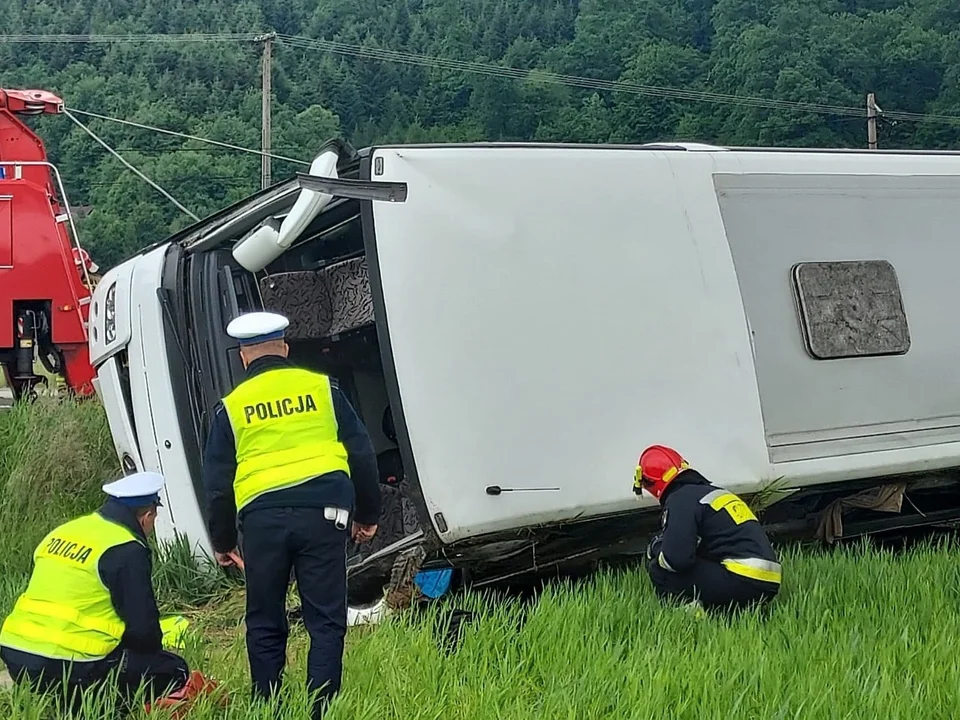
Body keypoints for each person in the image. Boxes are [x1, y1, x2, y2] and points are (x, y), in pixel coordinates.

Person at [201, 310, 381, 718]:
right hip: (325, 513)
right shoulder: (323, 389)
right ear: (284, 348)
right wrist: (367, 513)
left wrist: (224, 541)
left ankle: (268, 706)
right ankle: (322, 709)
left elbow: (217, 485)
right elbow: (363, 453)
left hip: (262, 522)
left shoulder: (231, 407)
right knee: (325, 619)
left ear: (244, 357)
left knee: (264, 617)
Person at [0, 472, 202, 713]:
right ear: (148, 516)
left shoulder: (63, 532)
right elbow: (143, 630)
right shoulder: (126, 547)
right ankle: (107, 710)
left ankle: (72, 707)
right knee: (173, 670)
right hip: (71, 662)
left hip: (17, 654)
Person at [633, 444, 782, 612]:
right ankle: (730, 613)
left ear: (652, 483)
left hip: (741, 579)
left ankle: (690, 622)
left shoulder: (680, 499)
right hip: (769, 582)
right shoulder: (713, 493)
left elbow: (676, 560)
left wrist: (656, 547)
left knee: (661, 569)